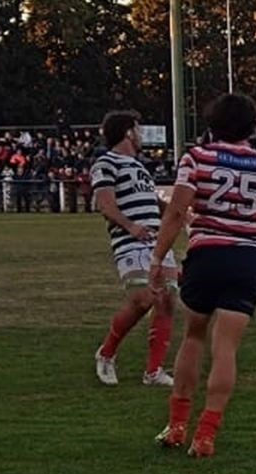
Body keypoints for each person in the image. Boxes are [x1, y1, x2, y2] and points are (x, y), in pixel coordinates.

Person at [148, 93, 256, 458]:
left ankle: (178, 426)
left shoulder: (197, 158)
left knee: (193, 337)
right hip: (244, 259)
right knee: (226, 348)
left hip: (206, 254)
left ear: (211, 124)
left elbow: (178, 211)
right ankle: (207, 434)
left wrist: (157, 258)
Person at [91, 110, 177, 387]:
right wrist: (130, 226)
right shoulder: (106, 162)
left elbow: (152, 201)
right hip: (130, 241)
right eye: (138, 129)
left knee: (167, 300)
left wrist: (182, 215)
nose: (141, 135)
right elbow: (105, 204)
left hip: (156, 241)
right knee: (143, 298)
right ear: (128, 132)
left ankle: (153, 371)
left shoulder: (139, 166)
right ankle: (106, 353)